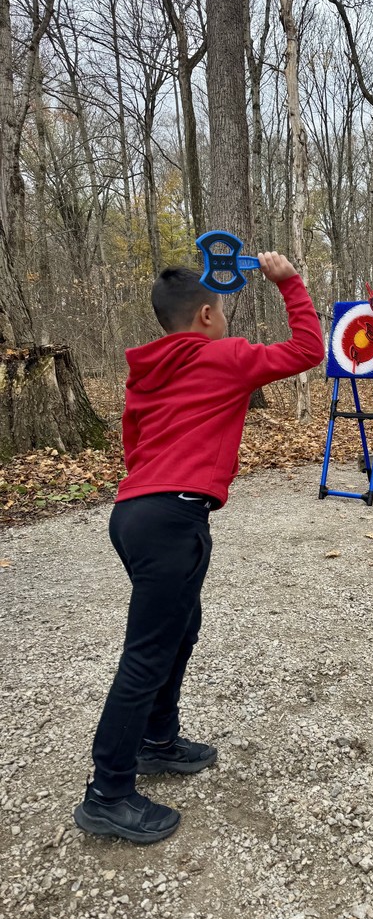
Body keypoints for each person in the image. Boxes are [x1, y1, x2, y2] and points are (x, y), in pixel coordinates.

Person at [74, 253, 325, 844]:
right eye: (227, 315)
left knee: (180, 631)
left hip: (137, 512)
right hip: (170, 517)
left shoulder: (147, 371)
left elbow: (134, 440)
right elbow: (308, 350)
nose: (230, 324)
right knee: (146, 653)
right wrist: (289, 283)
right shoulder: (225, 355)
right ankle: (108, 792)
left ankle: (159, 740)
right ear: (207, 314)